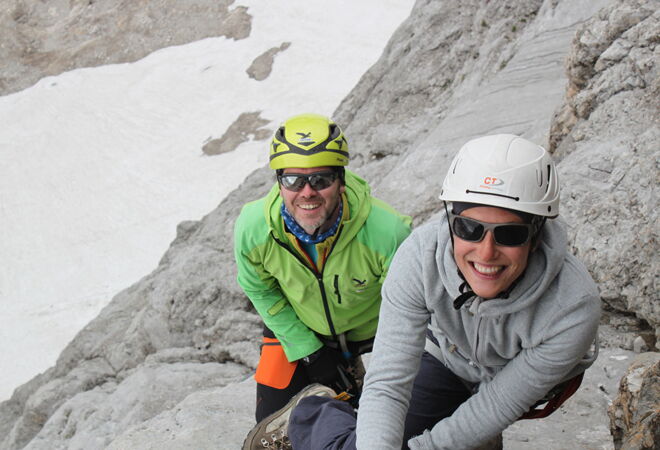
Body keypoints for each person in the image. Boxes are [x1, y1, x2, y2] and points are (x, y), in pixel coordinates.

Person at [270, 133, 600, 449]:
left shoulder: (572, 306)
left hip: (512, 378)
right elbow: (389, 382)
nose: (485, 254)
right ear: (449, 221)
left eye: (510, 235)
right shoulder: (420, 258)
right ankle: (315, 413)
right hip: (447, 358)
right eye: (468, 228)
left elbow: (499, 402)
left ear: (537, 234)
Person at [234, 113, 412, 449]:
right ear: (278, 181)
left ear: (341, 180)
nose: (307, 193)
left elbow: (411, 308)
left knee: (403, 423)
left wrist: (383, 370)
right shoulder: (253, 227)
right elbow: (260, 288)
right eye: (292, 181)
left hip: (375, 333)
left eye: (321, 179)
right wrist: (311, 353)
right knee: (274, 434)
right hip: (301, 328)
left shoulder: (388, 232)